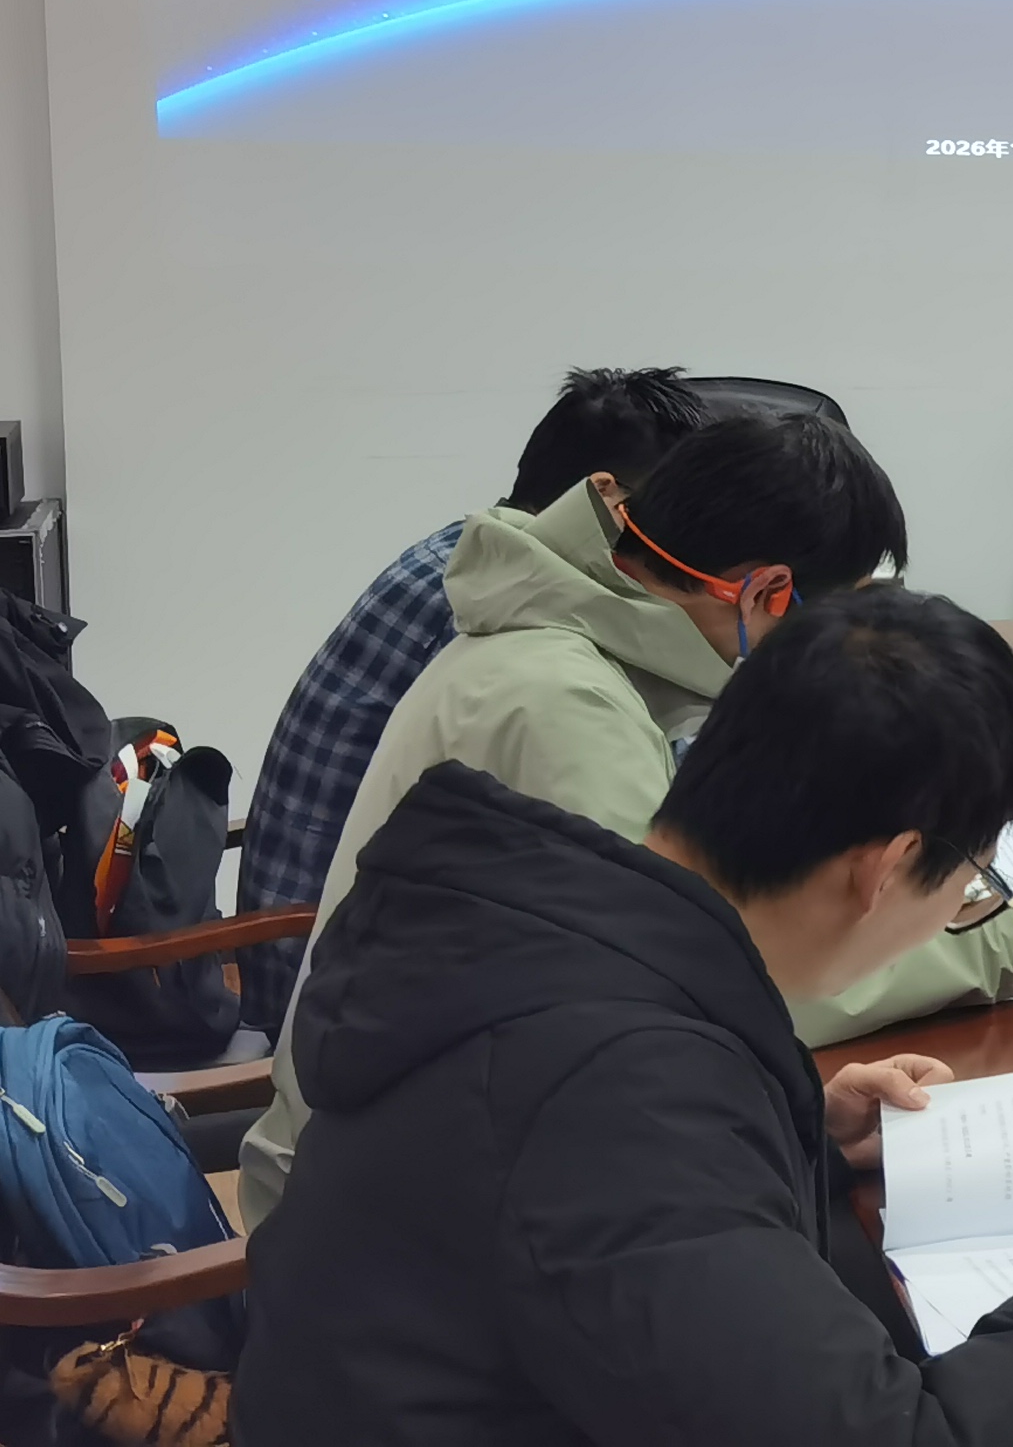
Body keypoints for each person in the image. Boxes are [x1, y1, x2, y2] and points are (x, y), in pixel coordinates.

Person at [237, 587, 1013, 1446]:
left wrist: (798, 1133)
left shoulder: (562, 930)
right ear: (884, 869)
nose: (965, 902)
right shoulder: (614, 1092)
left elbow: (577, 1207)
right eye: (971, 876)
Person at [239, 409, 1013, 1224]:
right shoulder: (567, 708)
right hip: (384, 1208)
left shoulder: (561, 642)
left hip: (435, 1143)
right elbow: (712, 978)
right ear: (768, 592)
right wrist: (997, 942)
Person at [237, 367, 714, 1032]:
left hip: (327, 946)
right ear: (609, 500)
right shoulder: (504, 609)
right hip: (330, 983)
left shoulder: (480, 561)